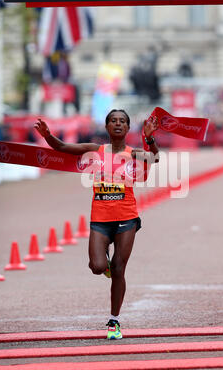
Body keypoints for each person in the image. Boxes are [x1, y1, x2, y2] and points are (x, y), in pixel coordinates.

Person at [34, 110, 159, 339]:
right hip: (100, 218)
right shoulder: (95, 150)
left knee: (120, 269)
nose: (118, 124)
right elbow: (61, 147)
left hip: (126, 217)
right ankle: (106, 264)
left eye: (122, 121)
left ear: (128, 128)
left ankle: (114, 321)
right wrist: (47, 135)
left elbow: (155, 158)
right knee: (97, 266)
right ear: (107, 127)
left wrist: (149, 138)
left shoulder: (135, 153)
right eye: (113, 121)